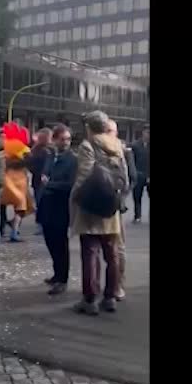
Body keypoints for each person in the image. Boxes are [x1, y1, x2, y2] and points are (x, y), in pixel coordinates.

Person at [70, 111, 129, 315]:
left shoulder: (88, 146)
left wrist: (74, 199)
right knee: (111, 254)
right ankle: (110, 297)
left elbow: (84, 176)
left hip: (90, 208)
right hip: (110, 207)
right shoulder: (117, 145)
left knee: (90, 253)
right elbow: (125, 178)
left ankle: (90, 299)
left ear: (89, 127)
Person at [38, 125, 77, 294]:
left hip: (60, 205)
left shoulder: (72, 159)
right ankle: (56, 274)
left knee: (60, 243)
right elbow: (44, 174)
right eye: (62, 139)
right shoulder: (51, 155)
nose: (66, 142)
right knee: (50, 241)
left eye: (68, 139)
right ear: (54, 140)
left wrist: (51, 184)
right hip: (47, 203)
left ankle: (62, 279)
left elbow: (71, 184)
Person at [28, 128, 54, 235]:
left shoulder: (46, 151)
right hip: (40, 180)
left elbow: (38, 165)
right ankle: (42, 224)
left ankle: (43, 225)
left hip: (43, 180)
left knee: (42, 203)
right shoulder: (38, 149)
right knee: (41, 202)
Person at [130, 125, 150, 223]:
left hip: (149, 174)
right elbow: (132, 161)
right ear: (143, 133)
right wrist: (134, 173)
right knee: (137, 196)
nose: (148, 135)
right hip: (139, 174)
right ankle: (137, 216)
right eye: (147, 132)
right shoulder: (136, 145)